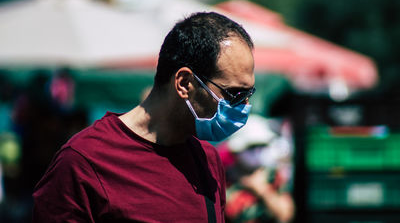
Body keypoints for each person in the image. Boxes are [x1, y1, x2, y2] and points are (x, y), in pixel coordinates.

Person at [32, 11, 256, 222]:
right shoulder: (83, 162)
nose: (245, 105)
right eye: (235, 94)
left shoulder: (207, 159)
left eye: (249, 93)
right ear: (185, 84)